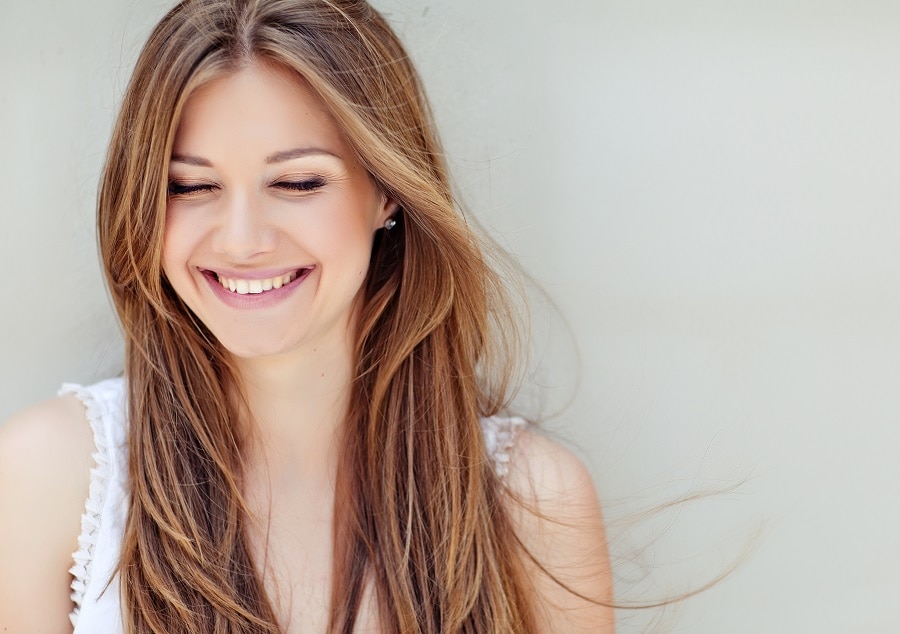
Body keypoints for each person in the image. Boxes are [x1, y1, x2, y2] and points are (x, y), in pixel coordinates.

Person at [0, 0, 613, 631]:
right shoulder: (50, 479)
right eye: (189, 186)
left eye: (297, 184)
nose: (240, 241)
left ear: (388, 192)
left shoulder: (533, 502)